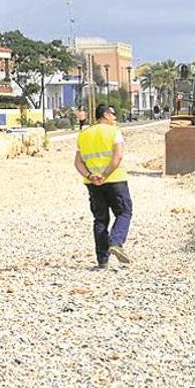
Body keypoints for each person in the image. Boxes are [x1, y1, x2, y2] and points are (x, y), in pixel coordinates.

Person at [74, 103, 133, 269]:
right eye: (113, 114)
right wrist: (105, 175)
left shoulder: (83, 135)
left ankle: (102, 260)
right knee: (124, 212)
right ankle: (116, 242)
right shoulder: (114, 131)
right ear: (106, 115)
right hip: (114, 180)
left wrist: (90, 176)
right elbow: (117, 157)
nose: (115, 118)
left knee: (100, 219)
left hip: (93, 183)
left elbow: (77, 162)